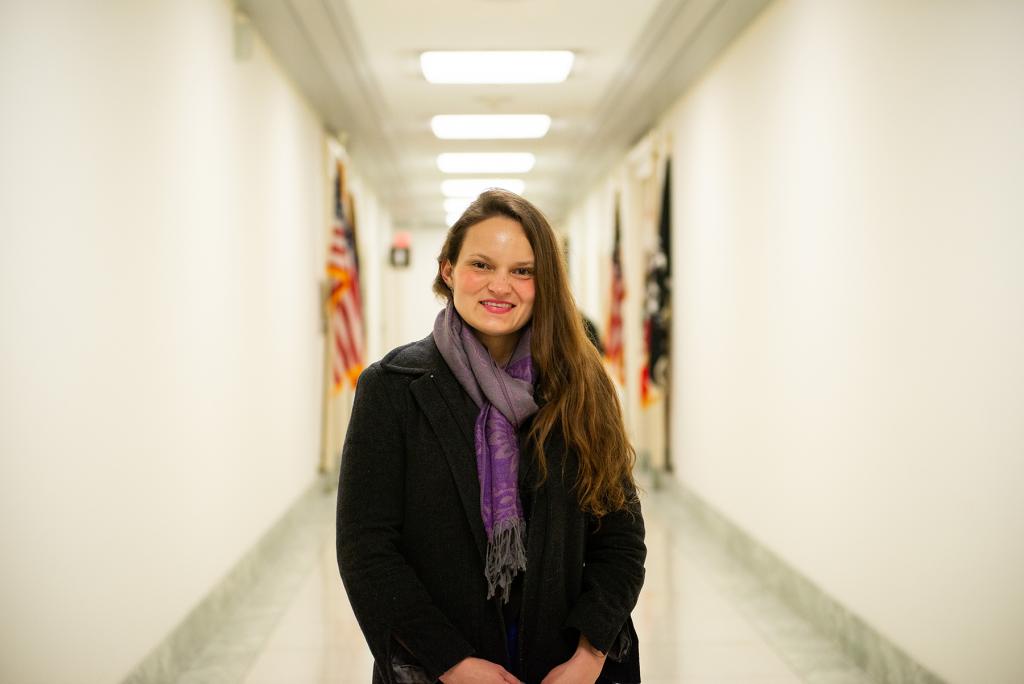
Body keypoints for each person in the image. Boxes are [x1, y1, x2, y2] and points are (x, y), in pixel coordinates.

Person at [336, 189, 646, 684]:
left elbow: (622, 541)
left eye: (523, 270)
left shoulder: (582, 386)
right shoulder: (391, 389)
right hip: (436, 666)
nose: (500, 286)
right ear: (448, 270)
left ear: (544, 282)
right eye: (481, 264)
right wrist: (452, 664)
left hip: (566, 666)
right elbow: (367, 551)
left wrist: (589, 657)